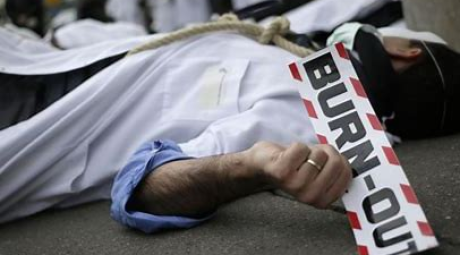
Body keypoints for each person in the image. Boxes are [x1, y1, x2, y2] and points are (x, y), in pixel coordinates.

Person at [0, 19, 458, 235]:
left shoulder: (312, 120)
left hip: (30, 130)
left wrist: (246, 168)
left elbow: (138, 191)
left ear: (406, 52)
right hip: (30, 62)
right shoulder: (303, 60)